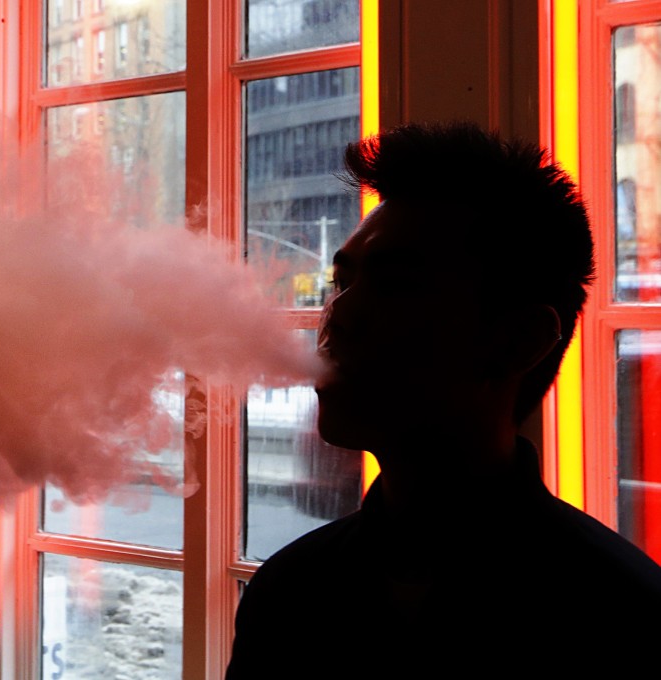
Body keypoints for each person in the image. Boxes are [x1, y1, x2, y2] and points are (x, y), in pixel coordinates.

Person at [226, 122, 661, 675]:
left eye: (396, 286)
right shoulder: (288, 591)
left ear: (517, 342)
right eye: (342, 282)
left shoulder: (622, 620)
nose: (338, 315)